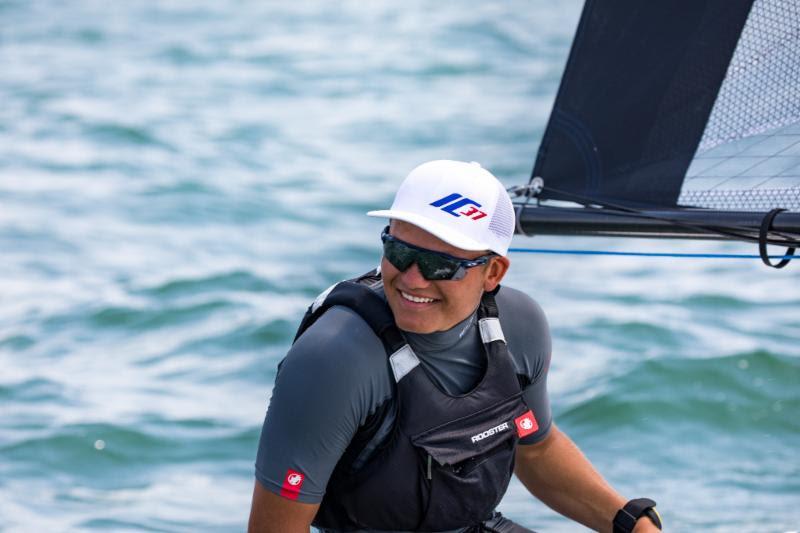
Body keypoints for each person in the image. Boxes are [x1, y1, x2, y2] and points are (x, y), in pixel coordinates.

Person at [248, 160, 662, 533]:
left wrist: (629, 521)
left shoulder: (520, 328)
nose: (412, 279)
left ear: (493, 272)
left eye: (439, 265)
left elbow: (536, 450)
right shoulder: (333, 361)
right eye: (399, 251)